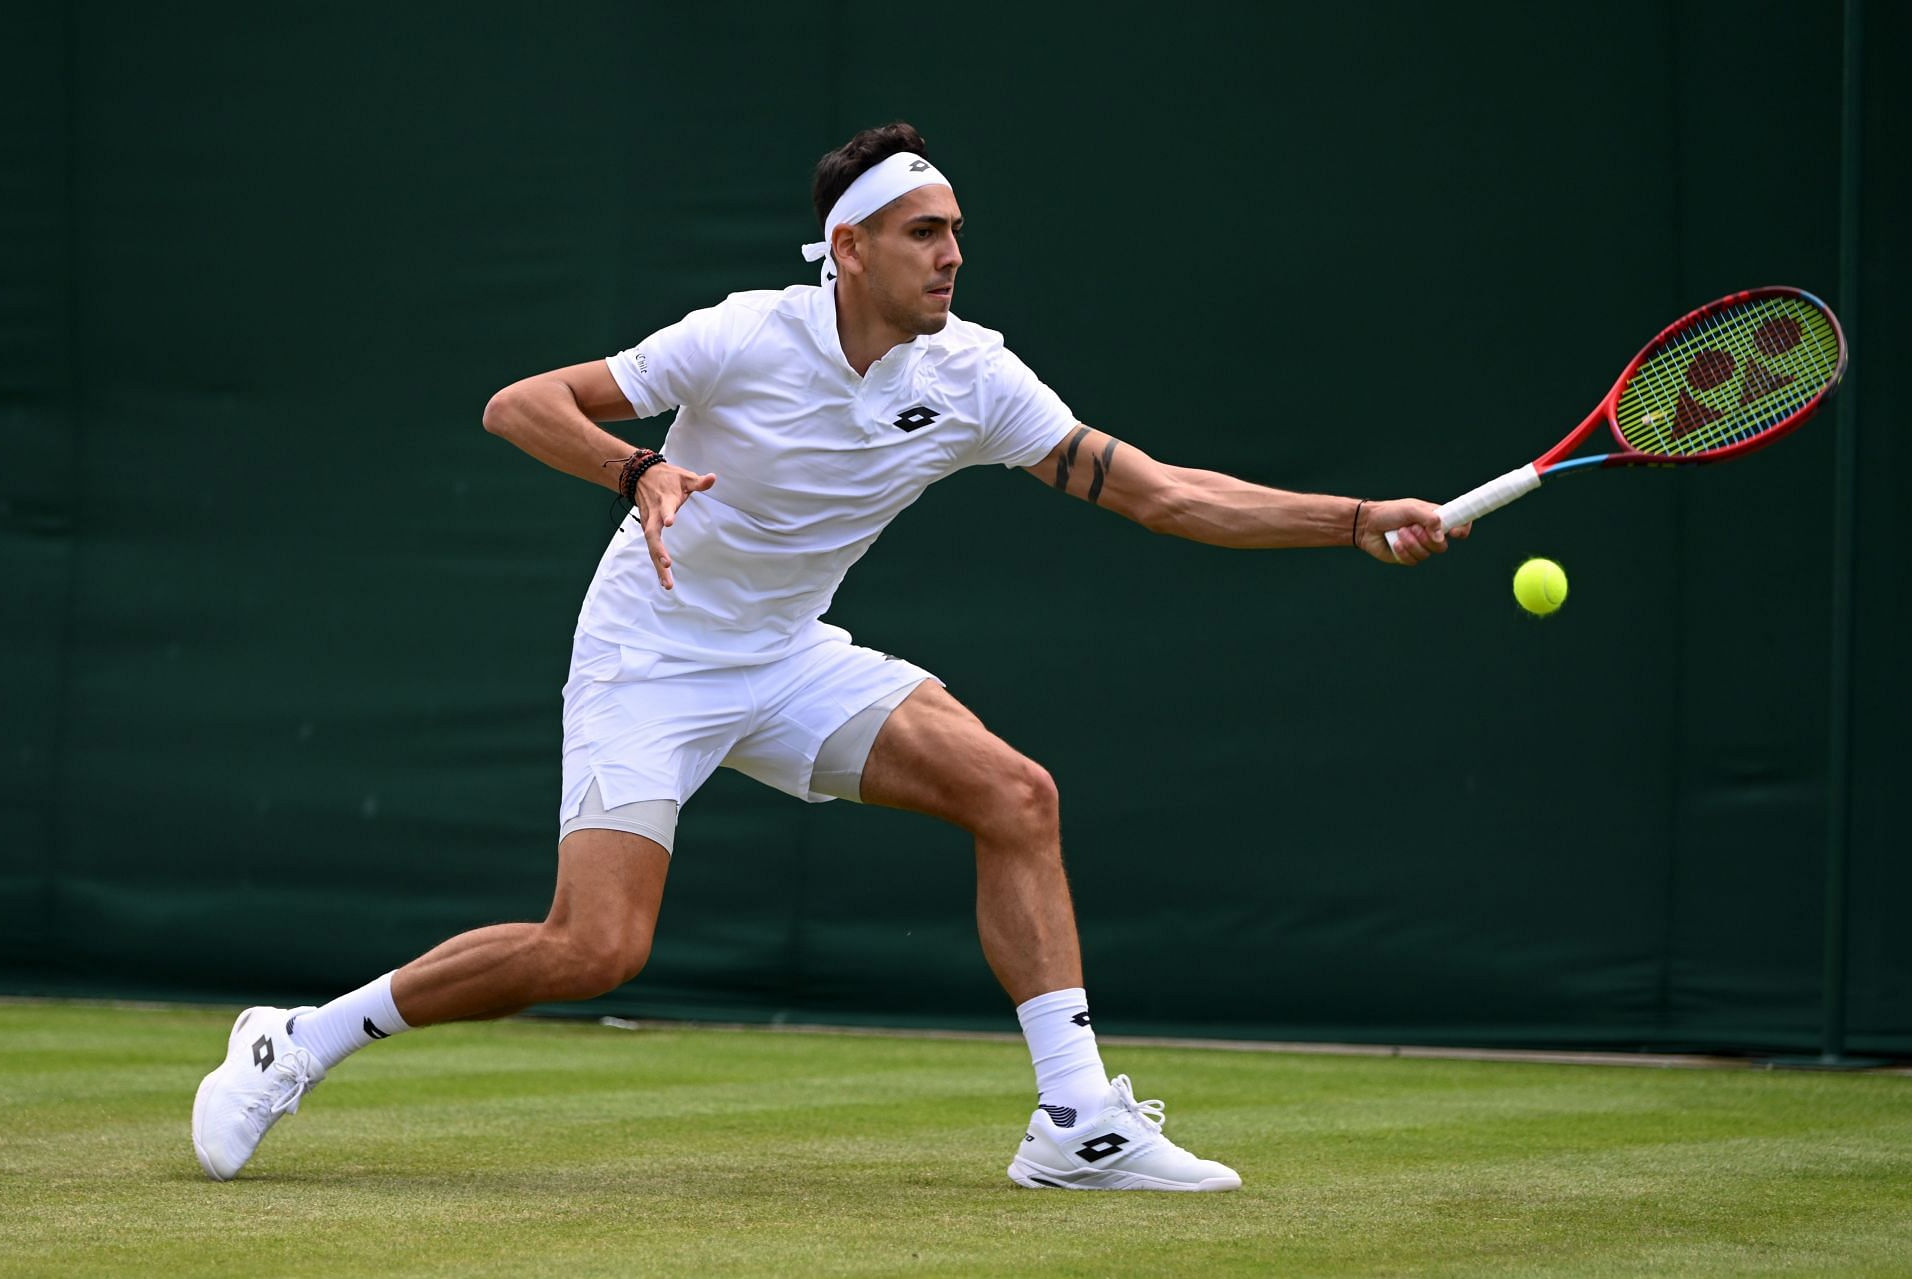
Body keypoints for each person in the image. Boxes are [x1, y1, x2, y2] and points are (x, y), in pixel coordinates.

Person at [192, 122, 1463, 1192]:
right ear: (849, 249)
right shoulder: (744, 336)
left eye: (958, 231)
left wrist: (1352, 521)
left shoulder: (977, 378)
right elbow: (520, 403)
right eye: (924, 232)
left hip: (787, 656)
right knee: (595, 949)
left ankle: (1077, 1123)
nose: (953, 253)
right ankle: (299, 1038)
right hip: (653, 653)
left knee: (1014, 793)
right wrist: (639, 469)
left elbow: (1164, 493)